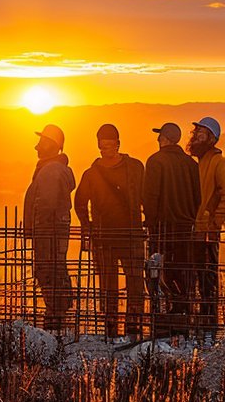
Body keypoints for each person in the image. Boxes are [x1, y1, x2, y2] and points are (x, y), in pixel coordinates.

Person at [74, 123, 145, 341]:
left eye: (108, 145)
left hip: (131, 235)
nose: (105, 150)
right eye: (102, 146)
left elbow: (146, 196)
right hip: (105, 238)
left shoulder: (135, 168)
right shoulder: (91, 174)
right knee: (108, 286)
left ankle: (133, 328)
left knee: (135, 283)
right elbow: (79, 202)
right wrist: (88, 226)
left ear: (118, 144)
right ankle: (111, 330)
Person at [142, 122, 200, 335]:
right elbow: (198, 197)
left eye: (160, 136)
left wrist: (150, 221)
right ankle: (183, 316)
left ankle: (162, 320)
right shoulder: (191, 164)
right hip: (186, 228)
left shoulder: (155, 161)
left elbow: (150, 196)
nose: (158, 140)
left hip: (162, 228)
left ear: (164, 139)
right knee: (183, 273)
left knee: (158, 274)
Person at [24, 124, 75, 332]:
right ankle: (57, 314)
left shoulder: (51, 171)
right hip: (48, 231)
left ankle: (55, 316)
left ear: (52, 144)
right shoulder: (49, 169)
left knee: (49, 271)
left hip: (47, 232)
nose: (37, 146)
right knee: (54, 270)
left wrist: (39, 229)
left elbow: (47, 205)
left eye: (41, 141)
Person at [189, 117, 225, 342]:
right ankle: (199, 323)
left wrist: (216, 222)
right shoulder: (196, 161)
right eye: (196, 132)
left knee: (207, 279)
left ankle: (209, 324)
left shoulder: (218, 162)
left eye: (202, 133)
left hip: (206, 231)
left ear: (212, 138)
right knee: (193, 276)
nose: (197, 136)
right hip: (192, 229)